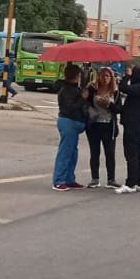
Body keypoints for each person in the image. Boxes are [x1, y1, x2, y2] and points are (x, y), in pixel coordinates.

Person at [116, 67, 140, 193]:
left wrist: (126, 76)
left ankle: (130, 183)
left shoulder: (139, 88)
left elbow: (122, 87)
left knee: (131, 154)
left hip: (132, 125)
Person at [52, 64, 87, 192]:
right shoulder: (66, 89)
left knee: (73, 153)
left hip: (75, 122)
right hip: (68, 121)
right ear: (76, 76)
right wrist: (82, 99)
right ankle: (59, 180)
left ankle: (69, 179)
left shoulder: (74, 89)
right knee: (65, 152)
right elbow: (70, 107)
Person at [84, 66, 120, 188]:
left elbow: (119, 110)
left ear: (111, 78)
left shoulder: (115, 92)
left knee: (110, 153)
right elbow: (85, 103)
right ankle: (95, 179)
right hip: (94, 125)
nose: (105, 78)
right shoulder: (92, 89)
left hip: (109, 126)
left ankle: (111, 179)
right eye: (102, 75)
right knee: (94, 152)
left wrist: (109, 104)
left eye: (107, 76)